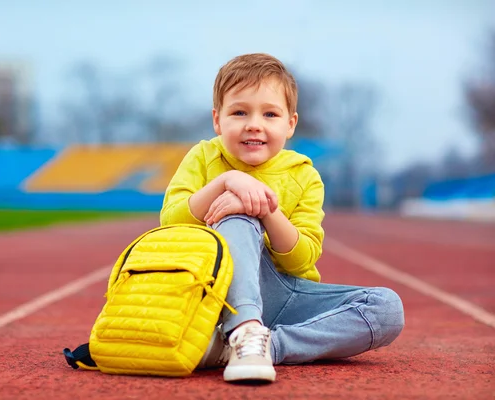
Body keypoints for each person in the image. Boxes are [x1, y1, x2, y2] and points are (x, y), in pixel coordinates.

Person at [159, 53, 405, 383]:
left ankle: (259, 346)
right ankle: (244, 326)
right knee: (238, 217)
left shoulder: (304, 176)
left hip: (282, 296)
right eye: (239, 112)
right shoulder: (204, 156)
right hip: (214, 294)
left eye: (270, 113)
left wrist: (267, 209)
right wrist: (226, 182)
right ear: (218, 120)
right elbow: (171, 222)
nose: (254, 124)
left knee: (386, 309)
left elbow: (301, 259)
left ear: (290, 124)